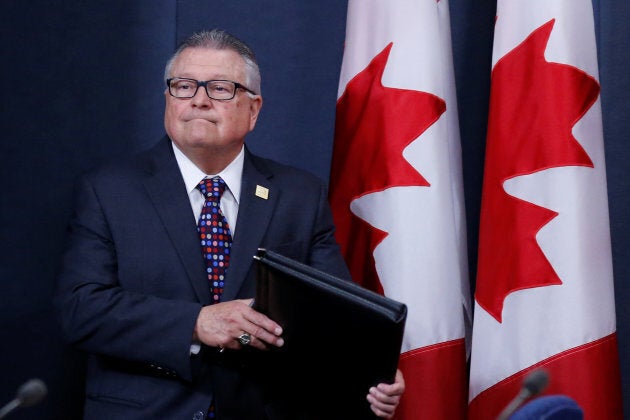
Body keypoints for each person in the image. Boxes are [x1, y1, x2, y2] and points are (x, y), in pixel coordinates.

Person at [55, 29, 405, 419]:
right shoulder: (107, 189)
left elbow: (336, 317)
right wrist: (196, 323)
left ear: (254, 110)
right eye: (184, 86)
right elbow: (80, 310)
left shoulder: (299, 195)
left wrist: (375, 371)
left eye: (220, 88)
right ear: (167, 100)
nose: (199, 100)